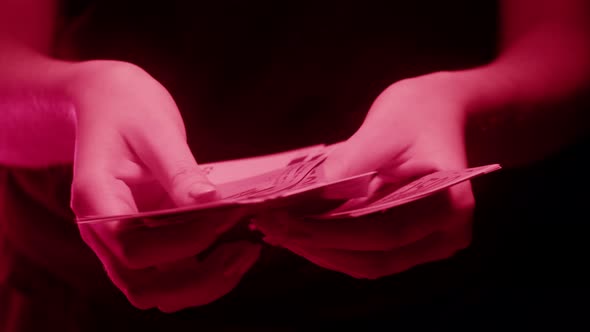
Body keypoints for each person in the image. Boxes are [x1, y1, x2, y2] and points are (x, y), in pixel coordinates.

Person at [1, 0, 589, 330]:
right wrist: (78, 100)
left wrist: (467, 109)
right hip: (87, 299)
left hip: (455, 295)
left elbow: (571, 46)